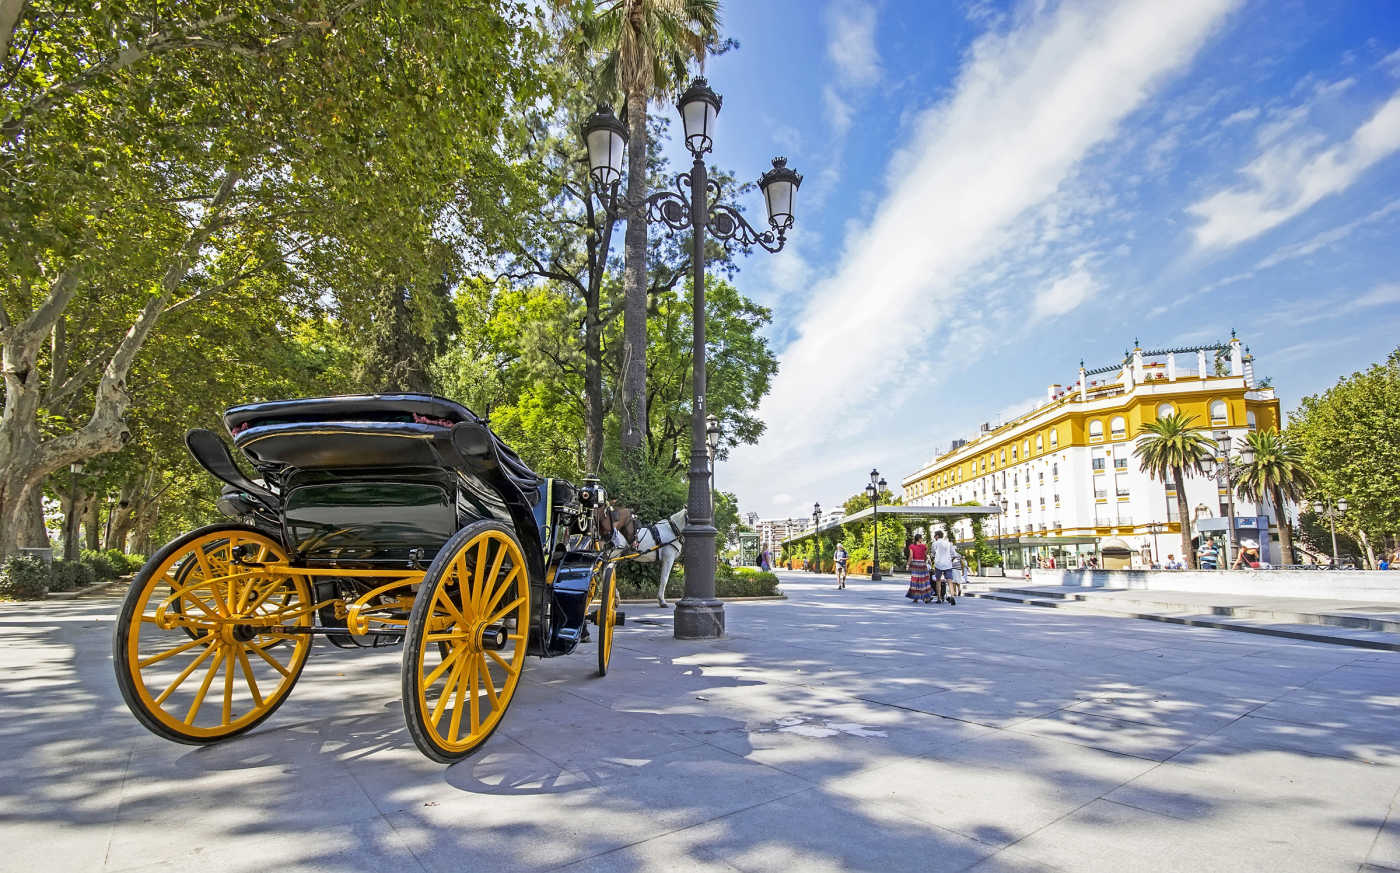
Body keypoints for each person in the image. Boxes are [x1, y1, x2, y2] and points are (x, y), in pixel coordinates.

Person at [931, 530, 958, 605]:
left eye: (935, 535)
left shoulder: (935, 543)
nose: (934, 537)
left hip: (938, 564)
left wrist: (934, 558)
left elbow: (932, 554)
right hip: (948, 564)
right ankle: (952, 596)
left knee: (938, 581)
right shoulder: (949, 543)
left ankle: (939, 598)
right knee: (950, 581)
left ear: (937, 536)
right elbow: (954, 554)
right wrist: (950, 560)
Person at [905, 533, 932, 604]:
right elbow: (925, 555)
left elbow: (911, 556)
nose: (922, 539)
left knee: (915, 581)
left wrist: (908, 564)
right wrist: (927, 562)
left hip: (915, 565)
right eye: (921, 538)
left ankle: (915, 597)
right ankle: (926, 597)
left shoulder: (912, 546)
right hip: (922, 565)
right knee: (924, 581)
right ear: (919, 539)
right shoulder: (924, 546)